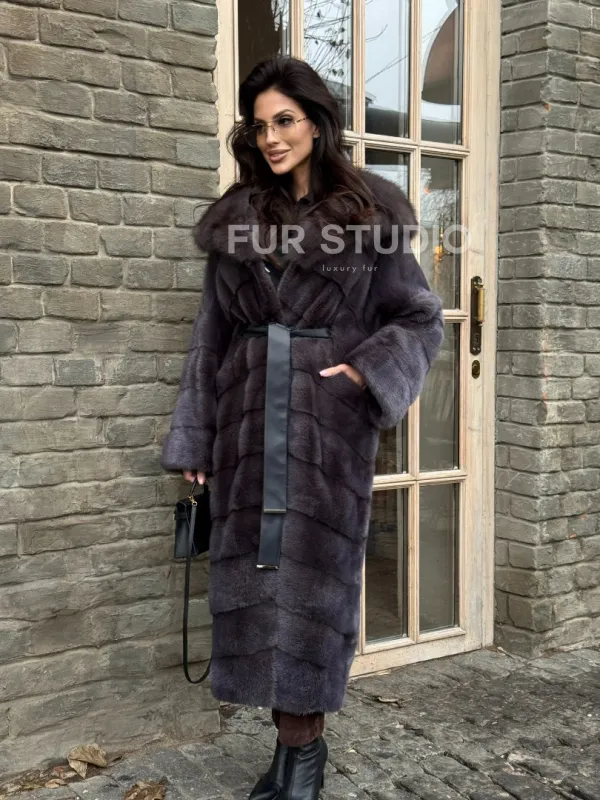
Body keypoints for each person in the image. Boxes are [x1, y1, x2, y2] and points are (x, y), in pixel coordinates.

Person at [161, 55, 444, 800]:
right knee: (259, 592)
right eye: (260, 125)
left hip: (324, 430)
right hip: (247, 428)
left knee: (312, 595)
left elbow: (418, 318)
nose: (272, 137)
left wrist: (362, 374)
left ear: (317, 123)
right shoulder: (237, 219)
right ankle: (290, 757)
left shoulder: (369, 215)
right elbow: (210, 335)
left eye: (285, 120)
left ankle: (304, 758)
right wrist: (196, 435)